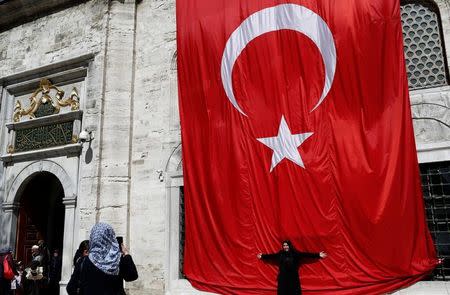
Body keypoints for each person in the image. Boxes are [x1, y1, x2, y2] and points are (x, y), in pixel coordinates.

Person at [70, 223, 138, 295]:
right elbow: (131, 276)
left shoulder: (83, 261)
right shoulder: (118, 259)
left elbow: (71, 288)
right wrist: (126, 254)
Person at [257, 240, 327, 295]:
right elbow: (272, 256)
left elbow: (305, 254)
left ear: (289, 246)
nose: (285, 247)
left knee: (294, 292)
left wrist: (318, 255)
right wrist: (262, 256)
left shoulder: (295, 253)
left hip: (293, 277)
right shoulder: (281, 253)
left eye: (286, 245)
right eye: (284, 245)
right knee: (283, 291)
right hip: (283, 277)